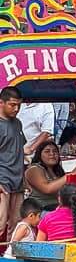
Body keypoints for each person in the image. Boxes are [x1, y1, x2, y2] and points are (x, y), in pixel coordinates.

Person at [25, 140, 76, 213]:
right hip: (41, 211)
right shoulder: (34, 169)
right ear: (39, 154)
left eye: (55, 151)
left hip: (58, 208)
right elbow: (47, 189)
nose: (52, 154)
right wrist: (71, 174)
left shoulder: (57, 171)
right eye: (47, 151)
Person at [0, 87, 26, 240]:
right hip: (2, 180)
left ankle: (9, 258)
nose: (16, 109)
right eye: (12, 105)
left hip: (18, 181)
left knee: (17, 224)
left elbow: (21, 149)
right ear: (1, 103)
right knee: (1, 223)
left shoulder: (17, 123)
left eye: (19, 105)